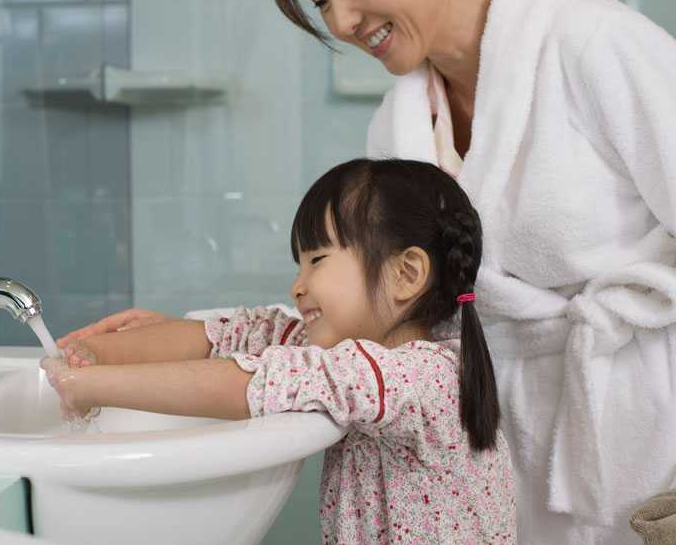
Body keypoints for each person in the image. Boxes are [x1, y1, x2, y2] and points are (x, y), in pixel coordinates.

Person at [65, 0, 676, 542]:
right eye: (321, 1)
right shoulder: (399, 123)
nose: (339, 22)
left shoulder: (592, 43)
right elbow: (370, 309)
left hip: (638, 422)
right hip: (494, 435)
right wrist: (161, 338)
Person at [45, 158, 516, 543]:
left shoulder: (425, 377)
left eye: (316, 261)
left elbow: (246, 384)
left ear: (405, 274)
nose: (298, 285)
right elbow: (229, 337)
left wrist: (89, 386)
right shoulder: (342, 354)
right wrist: (102, 352)